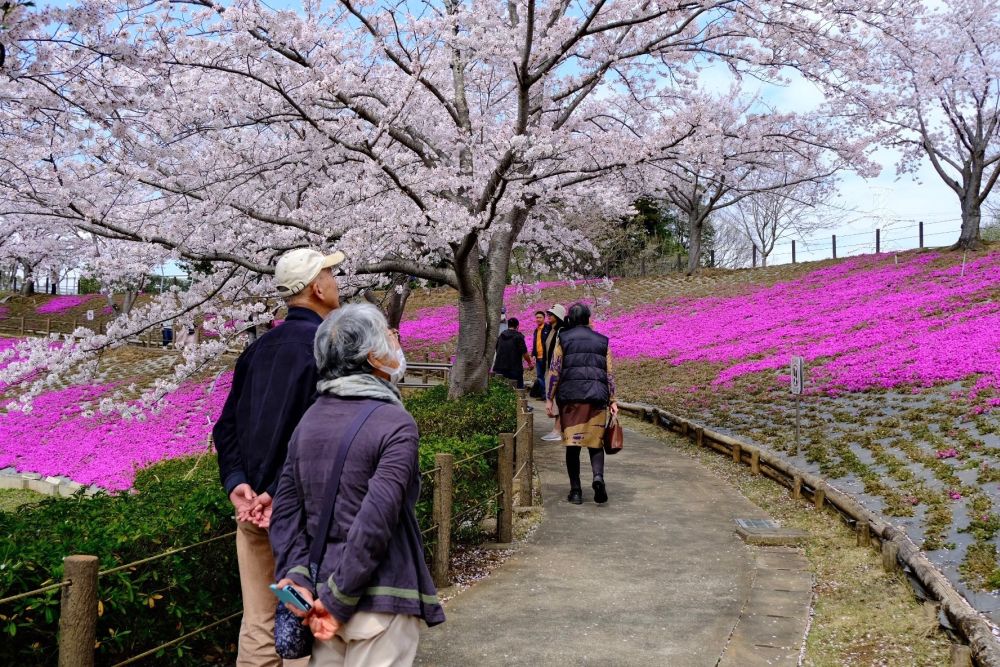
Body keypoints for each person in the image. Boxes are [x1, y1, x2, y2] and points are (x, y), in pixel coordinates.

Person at [270, 304, 445, 665]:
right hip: (379, 600)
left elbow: (285, 512)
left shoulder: (310, 419)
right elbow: (374, 522)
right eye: (388, 334)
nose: (395, 341)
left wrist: (298, 576)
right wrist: (339, 600)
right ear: (373, 357)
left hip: (320, 596)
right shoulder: (395, 423)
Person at [213, 247, 345, 667]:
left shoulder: (258, 349)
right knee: (309, 619)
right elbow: (319, 438)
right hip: (304, 513)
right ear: (318, 287)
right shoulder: (328, 351)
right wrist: (277, 493)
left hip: (252, 511)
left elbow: (226, 426)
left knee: (257, 622)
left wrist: (239, 484)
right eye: (331, 274)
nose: (336, 282)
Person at [545, 302, 618, 505]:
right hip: (596, 399)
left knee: (573, 446)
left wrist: (549, 398)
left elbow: (555, 370)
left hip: (571, 400)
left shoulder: (564, 339)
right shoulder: (602, 341)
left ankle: (576, 492)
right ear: (587, 319)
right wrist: (613, 400)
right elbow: (609, 373)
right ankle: (598, 478)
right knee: (596, 444)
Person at [540, 304, 566, 442]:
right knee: (553, 398)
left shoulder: (561, 331)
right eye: (549, 313)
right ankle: (557, 428)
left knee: (557, 399)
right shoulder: (550, 330)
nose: (549, 315)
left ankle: (557, 429)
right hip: (549, 368)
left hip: (557, 369)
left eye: (552, 314)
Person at [492, 317, 532, 389]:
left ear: (508, 325)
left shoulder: (501, 336)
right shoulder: (519, 336)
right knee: (518, 390)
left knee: (501, 390)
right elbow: (524, 352)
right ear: (517, 326)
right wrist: (529, 363)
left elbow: (496, 349)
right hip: (514, 368)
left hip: (500, 367)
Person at [530, 311, 550, 397]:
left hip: (546, 357)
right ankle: (543, 394)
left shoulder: (548, 328)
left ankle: (546, 394)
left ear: (544, 318)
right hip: (538, 357)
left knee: (545, 376)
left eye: (540, 317)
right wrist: (533, 354)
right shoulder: (536, 330)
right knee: (539, 376)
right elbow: (535, 343)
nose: (538, 319)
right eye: (537, 317)